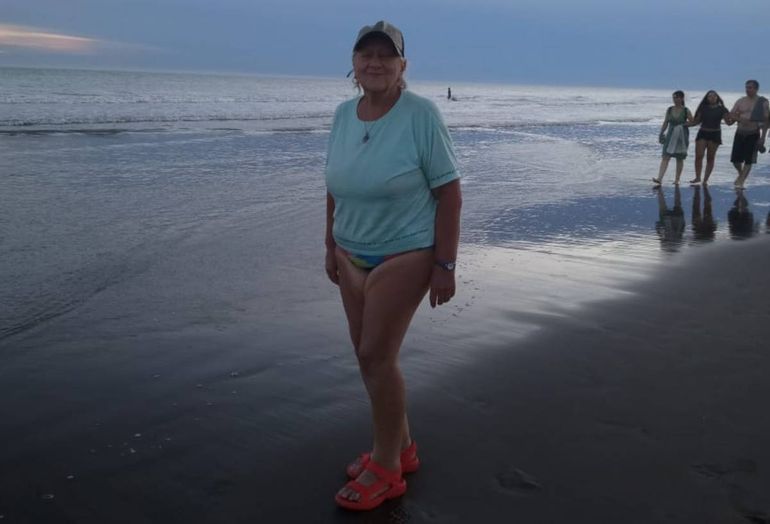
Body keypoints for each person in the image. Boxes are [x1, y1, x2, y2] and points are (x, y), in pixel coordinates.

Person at [324, 20, 462, 511]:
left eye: (386, 55)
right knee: (369, 358)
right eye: (367, 55)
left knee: (376, 358)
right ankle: (401, 448)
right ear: (354, 63)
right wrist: (329, 245)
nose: (375, 63)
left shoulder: (421, 114)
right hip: (349, 252)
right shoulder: (343, 115)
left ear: (403, 65)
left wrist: (445, 263)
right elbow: (334, 185)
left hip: (404, 253)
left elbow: (449, 192)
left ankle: (386, 469)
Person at [686, 90, 734, 185]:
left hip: (715, 134)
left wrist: (737, 119)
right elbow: (696, 121)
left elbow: (728, 123)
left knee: (710, 158)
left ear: (717, 98)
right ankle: (698, 177)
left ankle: (705, 180)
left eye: (714, 96)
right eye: (710, 96)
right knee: (699, 156)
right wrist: (684, 124)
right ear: (707, 98)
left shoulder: (722, 109)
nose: (712, 98)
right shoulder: (703, 108)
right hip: (703, 133)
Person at [728, 80, 769, 189]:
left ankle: (741, 181)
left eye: (750, 88)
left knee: (748, 159)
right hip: (740, 132)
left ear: (756, 89)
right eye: (747, 87)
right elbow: (731, 114)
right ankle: (741, 174)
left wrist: (763, 137)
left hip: (753, 133)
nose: (748, 90)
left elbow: (766, 120)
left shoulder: (763, 102)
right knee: (735, 160)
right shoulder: (741, 101)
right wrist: (740, 119)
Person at [653, 91, 693, 186]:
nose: (675, 100)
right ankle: (659, 178)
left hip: (681, 136)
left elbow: (692, 121)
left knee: (679, 157)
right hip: (670, 135)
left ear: (682, 98)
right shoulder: (670, 109)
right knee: (665, 156)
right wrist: (661, 132)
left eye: (678, 97)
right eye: (674, 98)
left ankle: (677, 179)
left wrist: (683, 125)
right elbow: (666, 122)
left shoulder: (686, 110)